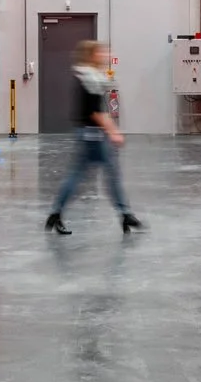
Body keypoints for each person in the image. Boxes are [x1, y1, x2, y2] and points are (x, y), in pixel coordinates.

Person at [46, 40, 143, 236]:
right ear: (91, 56)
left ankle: (56, 213)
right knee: (110, 174)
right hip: (93, 135)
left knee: (80, 175)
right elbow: (95, 112)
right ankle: (125, 214)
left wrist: (111, 128)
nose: (105, 55)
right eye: (101, 52)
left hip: (88, 133)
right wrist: (113, 132)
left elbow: (99, 110)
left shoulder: (90, 77)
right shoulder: (89, 79)